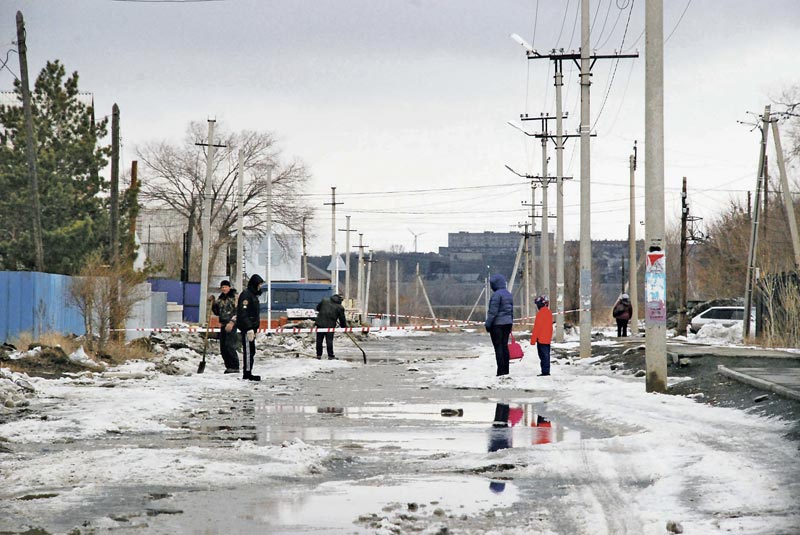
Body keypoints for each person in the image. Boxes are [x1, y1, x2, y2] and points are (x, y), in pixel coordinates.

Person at [236, 274, 264, 381]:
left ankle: (249, 371)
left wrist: (255, 328)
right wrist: (249, 328)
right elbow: (243, 313)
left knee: (251, 351)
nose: (260, 287)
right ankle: (247, 373)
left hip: (252, 328)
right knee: (248, 351)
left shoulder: (253, 295)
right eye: (259, 284)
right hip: (247, 329)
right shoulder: (246, 295)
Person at [485, 273, 514, 377]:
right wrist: (511, 322)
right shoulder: (508, 294)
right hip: (507, 323)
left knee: (498, 348)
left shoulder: (496, 295)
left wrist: (488, 324)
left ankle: (500, 371)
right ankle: (506, 370)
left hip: (497, 325)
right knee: (505, 347)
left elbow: (493, 312)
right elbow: (511, 310)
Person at [211, 280, 239, 373]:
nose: (224, 289)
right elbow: (217, 312)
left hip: (231, 324)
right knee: (223, 347)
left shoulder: (234, 297)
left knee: (230, 345)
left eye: (225, 287)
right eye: (222, 287)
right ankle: (228, 366)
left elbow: (237, 311)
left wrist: (232, 322)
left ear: (229, 287)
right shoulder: (221, 298)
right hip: (223, 324)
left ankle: (234, 366)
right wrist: (213, 303)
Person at [314, 293, 348, 360]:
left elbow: (318, 308)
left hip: (320, 324)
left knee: (319, 340)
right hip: (330, 326)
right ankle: (330, 356)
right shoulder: (340, 307)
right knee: (329, 341)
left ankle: (318, 355)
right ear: (340, 300)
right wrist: (344, 327)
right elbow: (342, 319)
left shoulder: (324, 300)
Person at [531, 295, 553, 376]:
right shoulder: (549, 312)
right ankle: (546, 370)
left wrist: (533, 340)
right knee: (546, 354)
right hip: (547, 338)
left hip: (541, 338)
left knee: (543, 355)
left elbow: (537, 328)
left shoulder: (540, 314)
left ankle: (545, 371)